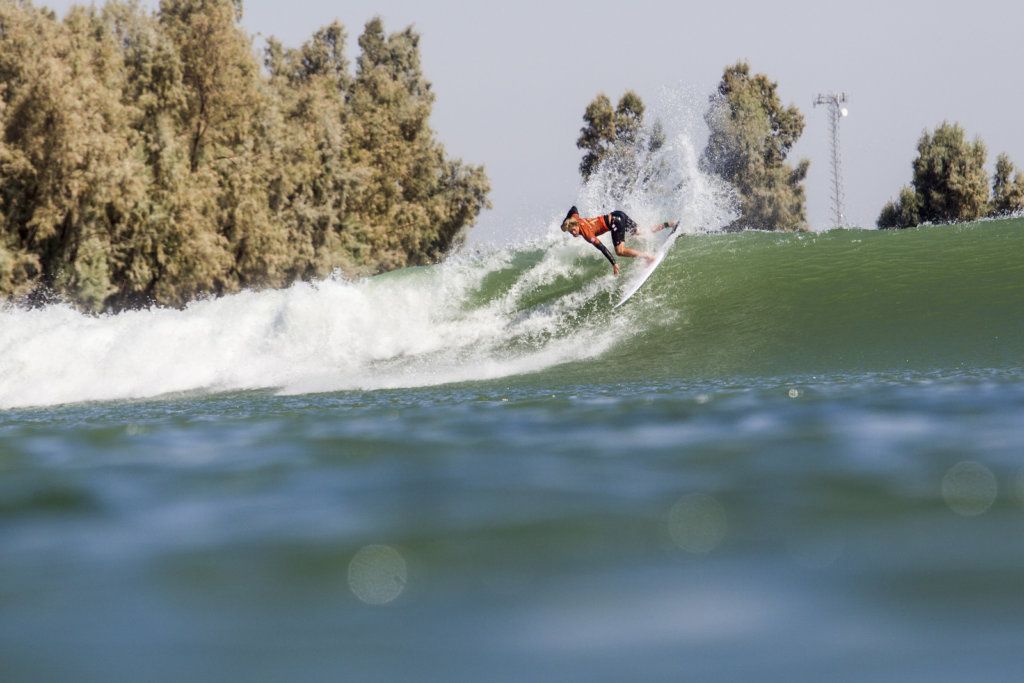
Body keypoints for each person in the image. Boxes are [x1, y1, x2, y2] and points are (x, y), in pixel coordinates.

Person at [560, 206, 677, 275]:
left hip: (614, 222)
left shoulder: (586, 233)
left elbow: (602, 247)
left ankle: (648, 257)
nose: (573, 233)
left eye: (573, 230)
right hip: (618, 214)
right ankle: (670, 224)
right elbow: (574, 208)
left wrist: (614, 263)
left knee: (620, 251)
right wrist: (566, 221)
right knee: (641, 231)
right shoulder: (575, 219)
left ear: (576, 225)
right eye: (570, 232)